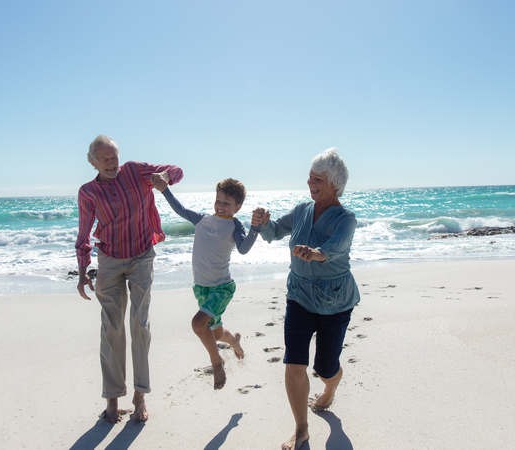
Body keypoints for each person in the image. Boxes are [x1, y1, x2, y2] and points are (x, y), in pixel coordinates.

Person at [254, 148, 360, 450]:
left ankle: (332, 384)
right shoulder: (301, 209)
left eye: (317, 179)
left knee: (325, 368)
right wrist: (263, 223)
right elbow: (275, 232)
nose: (310, 182)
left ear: (334, 184)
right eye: (310, 177)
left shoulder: (346, 218)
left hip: (334, 303)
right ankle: (301, 429)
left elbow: (335, 247)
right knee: (294, 363)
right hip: (299, 297)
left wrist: (316, 254)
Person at [75, 134, 183, 424]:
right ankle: (112, 398)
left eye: (114, 158)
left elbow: (177, 170)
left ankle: (140, 395)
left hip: (141, 256)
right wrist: (83, 270)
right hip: (109, 261)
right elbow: (84, 235)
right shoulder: (87, 192)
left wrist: (164, 178)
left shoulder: (135, 171)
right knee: (111, 327)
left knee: (140, 323)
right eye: (105, 159)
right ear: (92, 161)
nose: (111, 163)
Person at [153, 177, 263, 389]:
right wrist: (165, 190)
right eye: (218, 201)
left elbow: (243, 248)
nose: (220, 206)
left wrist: (255, 229)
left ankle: (217, 362)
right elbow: (180, 209)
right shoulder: (202, 219)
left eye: (226, 203)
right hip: (201, 287)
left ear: (238, 207)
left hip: (222, 287)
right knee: (215, 333)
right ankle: (234, 342)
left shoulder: (234, 225)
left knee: (197, 324)